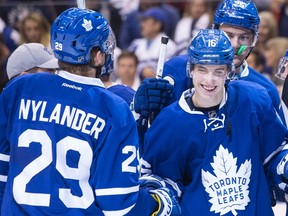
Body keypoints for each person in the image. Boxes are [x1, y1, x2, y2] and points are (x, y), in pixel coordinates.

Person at [0, 7, 180, 215]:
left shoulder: (20, 89)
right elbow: (118, 204)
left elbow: (3, 172)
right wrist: (158, 202)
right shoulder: (112, 108)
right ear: (97, 56)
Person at [140, 28, 288, 215]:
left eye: (218, 71)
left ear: (228, 72)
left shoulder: (253, 100)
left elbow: (274, 154)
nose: (210, 80)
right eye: (202, 69)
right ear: (191, 69)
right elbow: (162, 184)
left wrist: (284, 165)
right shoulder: (170, 123)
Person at [134, 0, 285, 126]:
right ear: (214, 31)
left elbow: (276, 149)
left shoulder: (265, 89)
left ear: (254, 40)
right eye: (229, 35)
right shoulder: (177, 69)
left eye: (244, 38)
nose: (235, 45)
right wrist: (139, 109)